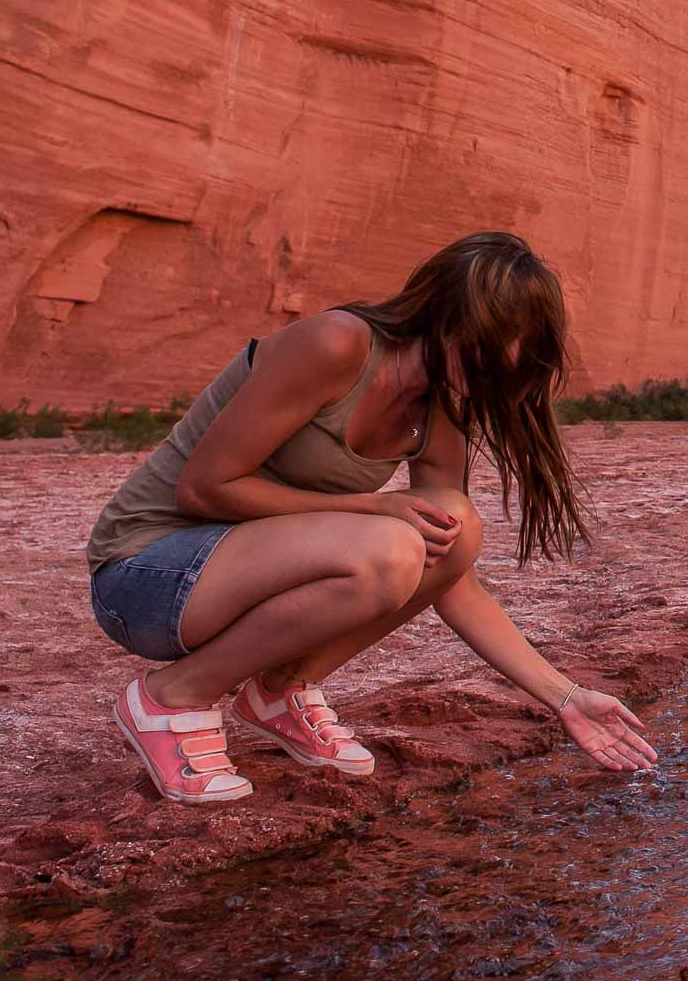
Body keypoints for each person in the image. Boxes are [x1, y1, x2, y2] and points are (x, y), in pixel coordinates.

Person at [84, 231, 657, 803]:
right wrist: (372, 504)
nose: (504, 368)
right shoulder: (337, 343)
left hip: (240, 576)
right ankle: (171, 697)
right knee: (388, 548)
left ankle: (280, 690)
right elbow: (205, 489)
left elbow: (450, 574)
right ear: (450, 316)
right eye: (495, 346)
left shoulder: (441, 408)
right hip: (145, 577)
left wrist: (563, 696)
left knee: (454, 527)